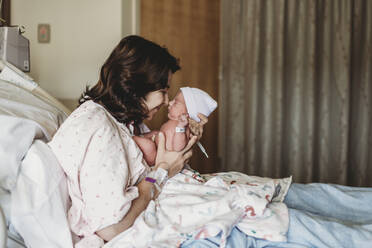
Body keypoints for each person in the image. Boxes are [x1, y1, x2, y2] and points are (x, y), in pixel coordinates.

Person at [48, 35, 207, 247]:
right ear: (136, 86)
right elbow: (112, 229)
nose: (166, 101)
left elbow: (165, 157)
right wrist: (161, 173)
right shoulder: (99, 127)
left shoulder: (126, 123)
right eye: (163, 91)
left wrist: (188, 135)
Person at [133, 87, 217, 166]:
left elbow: (178, 149)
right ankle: (136, 137)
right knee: (155, 133)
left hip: (160, 158)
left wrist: (180, 128)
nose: (169, 102)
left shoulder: (182, 127)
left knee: (147, 145)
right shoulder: (175, 124)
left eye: (176, 102)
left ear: (187, 113)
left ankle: (132, 138)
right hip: (157, 149)